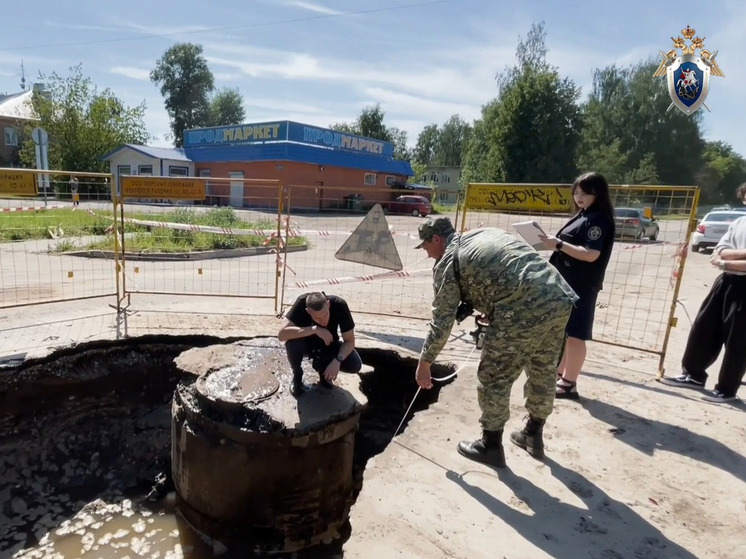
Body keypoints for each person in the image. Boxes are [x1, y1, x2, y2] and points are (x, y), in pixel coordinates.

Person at [414, 217, 577, 468]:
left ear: (437, 239)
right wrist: (493, 304)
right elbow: (503, 269)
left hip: (523, 307)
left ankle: (490, 445)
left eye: (425, 246)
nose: (426, 254)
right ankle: (533, 434)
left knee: (494, 375)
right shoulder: (480, 234)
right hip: (557, 296)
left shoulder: (448, 262)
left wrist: (425, 362)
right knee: (543, 368)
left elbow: (442, 321)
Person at [660, 182, 746, 403]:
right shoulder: (739, 222)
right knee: (704, 326)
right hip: (726, 282)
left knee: (738, 339)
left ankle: (727, 389)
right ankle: (693, 374)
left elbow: (722, 258)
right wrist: (735, 258)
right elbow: (718, 251)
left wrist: (726, 261)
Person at [540, 172, 615, 400]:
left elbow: (591, 254)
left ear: (597, 193)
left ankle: (569, 383)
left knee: (576, 335)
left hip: (581, 285)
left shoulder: (599, 220)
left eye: (584, 193)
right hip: (566, 282)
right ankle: (560, 374)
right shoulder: (583, 215)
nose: (578, 197)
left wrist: (559, 244)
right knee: (566, 332)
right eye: (576, 192)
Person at [278, 292, 363, 396]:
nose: (323, 320)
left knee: (355, 364)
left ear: (328, 304)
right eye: (317, 318)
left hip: (328, 344)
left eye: (325, 315)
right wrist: (315, 329)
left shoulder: (339, 305)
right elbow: (281, 334)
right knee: (292, 343)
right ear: (308, 311)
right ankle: (297, 376)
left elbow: (350, 341)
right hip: (306, 344)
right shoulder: (301, 302)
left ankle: (323, 373)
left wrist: (337, 360)